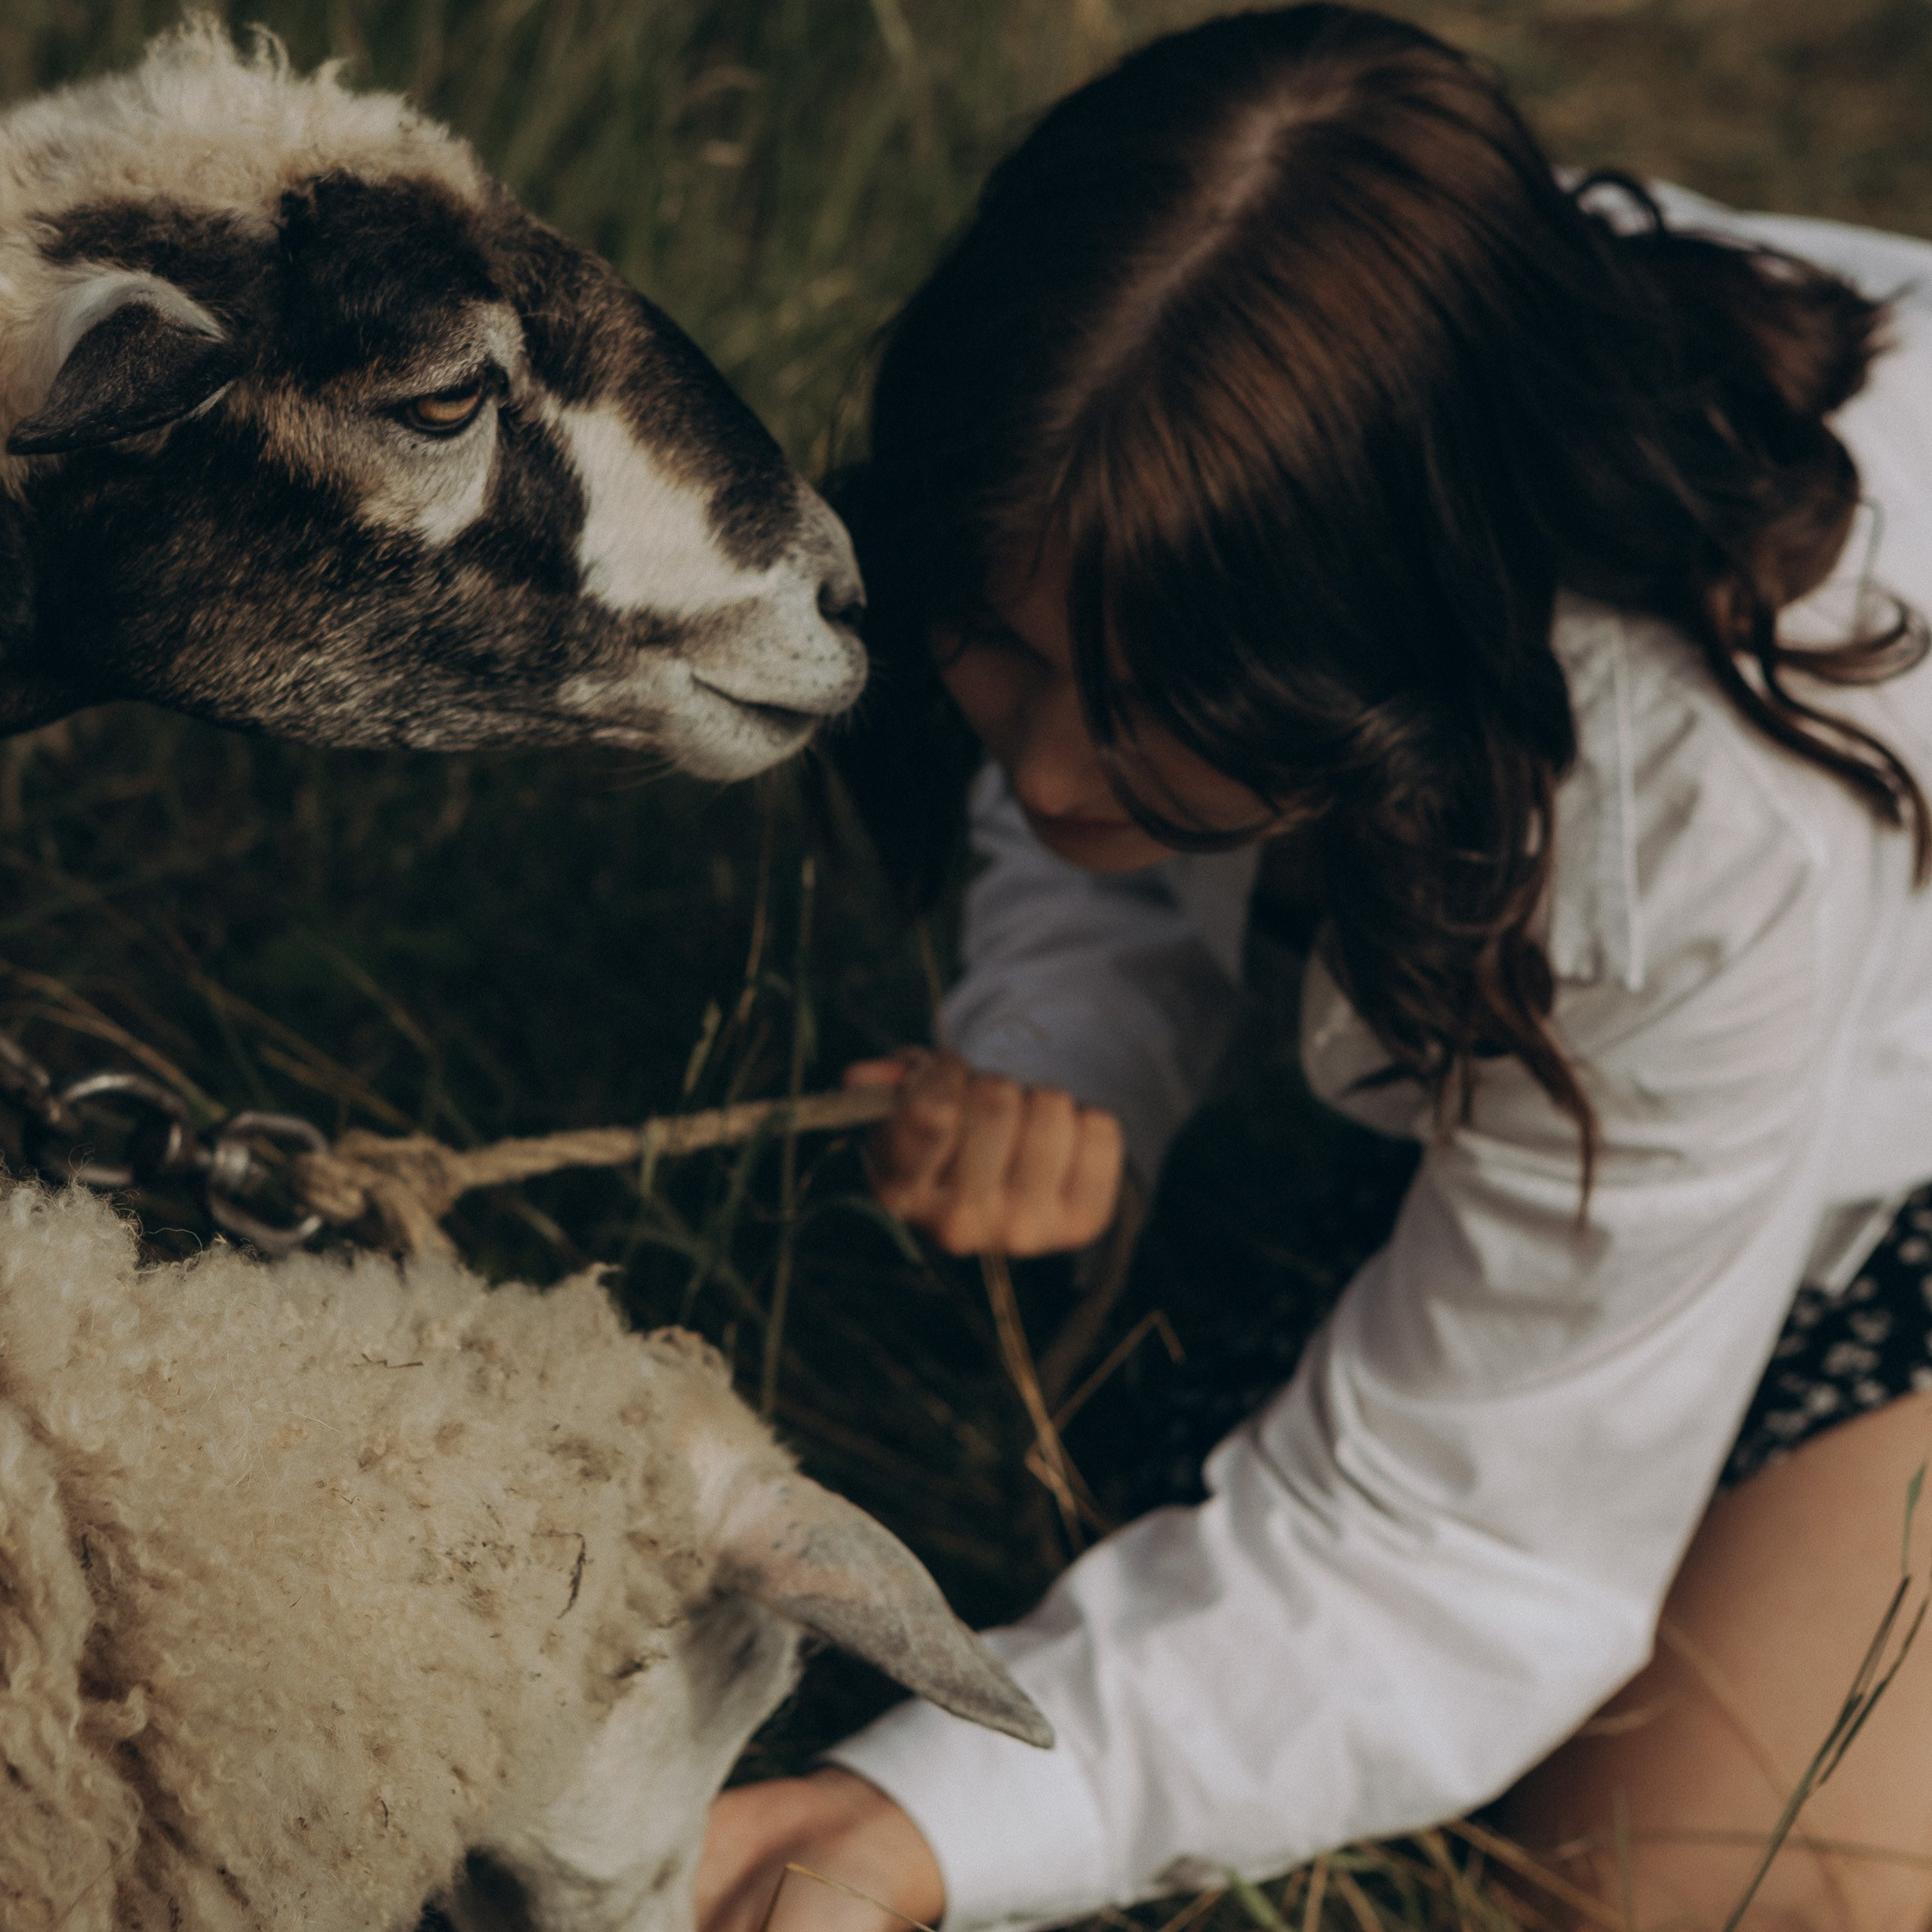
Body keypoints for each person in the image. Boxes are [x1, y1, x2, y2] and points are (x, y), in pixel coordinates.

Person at [696, 8, 1932, 1929]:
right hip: (1641, 1016)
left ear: (1408, 644)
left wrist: (901, 1822)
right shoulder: (1279, 486)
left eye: (1154, 716)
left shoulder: (1700, 819)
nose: (1034, 771)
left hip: (1889, 1116)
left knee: (1705, 1889)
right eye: (996, 651)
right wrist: (1069, 1041)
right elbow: (1078, 813)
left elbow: (1448, 1536)